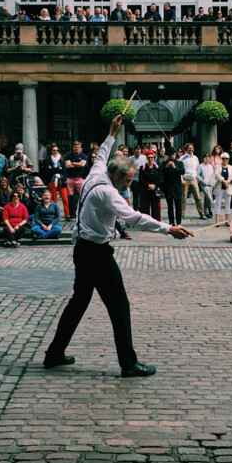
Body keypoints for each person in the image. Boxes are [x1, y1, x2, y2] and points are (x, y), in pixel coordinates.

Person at [43, 115, 192, 378]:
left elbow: (102, 153)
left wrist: (112, 132)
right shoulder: (107, 192)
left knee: (78, 302)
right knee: (119, 306)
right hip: (96, 254)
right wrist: (168, 228)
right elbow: (135, 217)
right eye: (126, 180)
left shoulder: (96, 173)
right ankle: (128, 363)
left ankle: (54, 353)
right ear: (116, 174)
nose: (128, 184)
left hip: (84, 249)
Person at [178, 143, 205, 220]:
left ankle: (201, 213)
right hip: (185, 179)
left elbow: (197, 169)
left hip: (193, 179)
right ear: (186, 149)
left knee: (198, 197)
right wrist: (181, 179)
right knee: (183, 198)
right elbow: (180, 170)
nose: (191, 149)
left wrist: (197, 178)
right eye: (189, 148)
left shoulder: (196, 158)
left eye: (192, 148)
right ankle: (182, 214)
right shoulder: (182, 158)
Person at [64, 141, 89, 218]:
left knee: (82, 196)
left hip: (80, 178)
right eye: (75, 147)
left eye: (78, 147)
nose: (76, 148)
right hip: (70, 178)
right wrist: (78, 164)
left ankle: (83, 213)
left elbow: (82, 165)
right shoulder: (68, 156)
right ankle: (72, 214)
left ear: (81, 148)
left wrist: (73, 163)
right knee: (70, 197)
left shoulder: (84, 156)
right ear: (73, 148)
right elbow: (68, 166)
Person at [161, 147, 185, 226]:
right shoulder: (164, 163)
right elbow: (161, 172)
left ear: (176, 155)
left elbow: (182, 171)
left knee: (178, 205)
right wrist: (166, 167)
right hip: (168, 187)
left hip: (177, 187)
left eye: (174, 154)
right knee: (170, 206)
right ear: (168, 155)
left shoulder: (179, 163)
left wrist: (174, 167)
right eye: (170, 155)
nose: (172, 156)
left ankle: (179, 222)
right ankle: (171, 221)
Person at [43, 144, 68, 217]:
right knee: (54, 199)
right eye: (54, 150)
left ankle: (67, 214)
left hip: (61, 180)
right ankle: (54, 214)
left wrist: (53, 169)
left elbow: (64, 169)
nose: (56, 152)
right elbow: (48, 171)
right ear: (51, 151)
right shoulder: (48, 160)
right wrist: (58, 169)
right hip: (52, 180)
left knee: (65, 198)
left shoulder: (62, 159)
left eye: (57, 150)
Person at [138, 149, 162, 221]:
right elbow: (141, 179)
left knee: (156, 207)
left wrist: (154, 185)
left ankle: (156, 223)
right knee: (145, 207)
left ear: (154, 158)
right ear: (146, 158)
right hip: (146, 190)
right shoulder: (143, 167)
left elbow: (160, 179)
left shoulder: (157, 167)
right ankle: (146, 222)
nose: (150, 159)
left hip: (155, 190)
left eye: (152, 157)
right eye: (148, 157)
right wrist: (148, 185)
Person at [213, 153, 232, 226]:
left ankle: (227, 220)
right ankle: (217, 221)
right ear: (221, 159)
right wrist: (223, 180)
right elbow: (217, 175)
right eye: (223, 158)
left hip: (228, 188)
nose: (225, 160)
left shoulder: (231, 167)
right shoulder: (217, 166)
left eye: (226, 159)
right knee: (217, 204)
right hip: (219, 188)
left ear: (228, 160)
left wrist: (229, 181)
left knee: (227, 204)